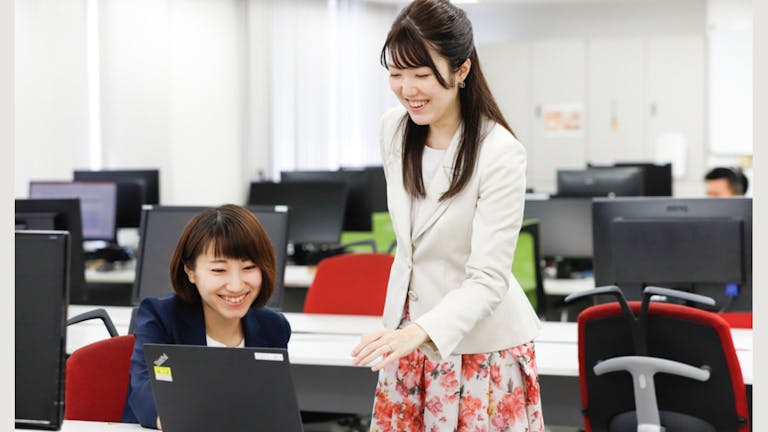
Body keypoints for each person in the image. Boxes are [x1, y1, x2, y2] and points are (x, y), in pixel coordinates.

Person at [351, 1, 544, 430]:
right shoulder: (393, 130)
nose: (407, 89)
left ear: (461, 70)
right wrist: (406, 332)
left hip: (477, 348)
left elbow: (488, 277)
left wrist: (419, 331)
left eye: (421, 75)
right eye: (396, 74)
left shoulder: (499, 152)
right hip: (404, 343)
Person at [122, 204, 291, 429]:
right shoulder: (161, 317)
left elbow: (272, 409)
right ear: (190, 272)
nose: (236, 285)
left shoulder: (273, 327)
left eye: (249, 267)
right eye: (219, 270)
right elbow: (145, 396)